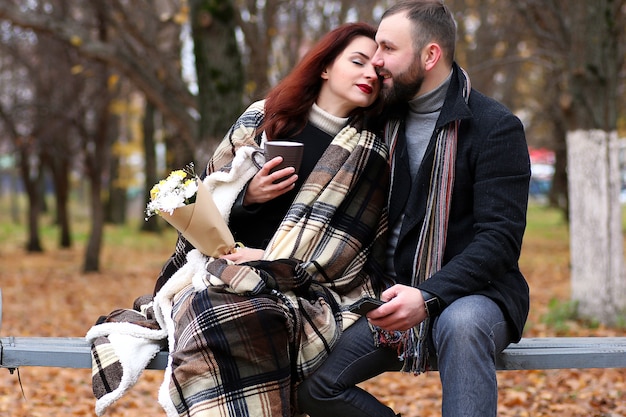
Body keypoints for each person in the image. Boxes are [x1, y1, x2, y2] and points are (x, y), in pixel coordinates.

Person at [297, 1, 531, 417]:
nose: (377, 61)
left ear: (430, 55)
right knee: (315, 387)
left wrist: (427, 295)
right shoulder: (379, 120)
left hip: (476, 295)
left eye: (387, 49)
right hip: (384, 295)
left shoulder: (494, 126)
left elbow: (499, 240)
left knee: (460, 325)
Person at [146, 22, 391, 417]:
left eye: (377, 72)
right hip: (224, 265)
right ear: (325, 66)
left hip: (302, 288)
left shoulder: (370, 152)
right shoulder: (264, 117)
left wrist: (271, 262)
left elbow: (350, 248)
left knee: (241, 317)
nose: (369, 75)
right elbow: (209, 199)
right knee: (206, 306)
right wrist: (248, 197)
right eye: (358, 62)